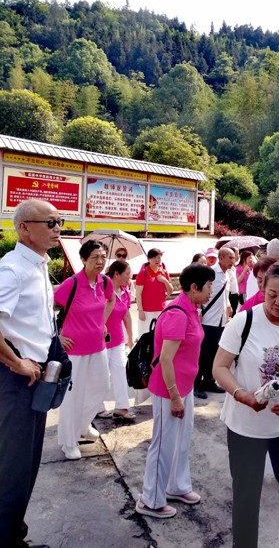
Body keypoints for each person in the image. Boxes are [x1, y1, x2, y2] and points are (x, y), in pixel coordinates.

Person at [213, 262, 279, 548]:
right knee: (246, 500)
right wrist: (241, 394)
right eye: (272, 294)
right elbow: (219, 367)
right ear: (262, 289)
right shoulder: (243, 322)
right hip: (246, 428)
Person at [0, 199, 63, 548]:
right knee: (12, 467)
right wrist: (15, 362)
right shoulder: (13, 270)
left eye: (60, 221)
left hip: (34, 378)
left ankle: (14, 535)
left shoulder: (38, 265)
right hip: (14, 380)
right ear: (24, 228)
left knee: (27, 464)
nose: (57, 228)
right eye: (50, 222)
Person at [136, 263, 216, 519]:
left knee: (182, 439)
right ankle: (150, 500)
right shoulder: (178, 313)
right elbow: (166, 359)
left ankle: (176, 486)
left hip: (185, 385)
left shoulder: (192, 308)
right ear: (194, 287)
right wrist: (174, 397)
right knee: (163, 444)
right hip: (169, 389)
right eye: (208, 286)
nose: (211, 290)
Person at [55, 240, 115, 460]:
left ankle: (82, 425)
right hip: (74, 350)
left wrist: (102, 322)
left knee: (101, 386)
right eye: (94, 257)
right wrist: (57, 336)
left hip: (98, 345)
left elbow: (111, 300)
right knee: (73, 395)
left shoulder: (105, 281)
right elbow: (46, 309)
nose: (100, 261)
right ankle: (68, 442)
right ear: (83, 259)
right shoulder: (71, 284)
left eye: (103, 257)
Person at [96, 260, 136, 420]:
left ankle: (122, 407)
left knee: (120, 372)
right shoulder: (101, 290)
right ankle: (97, 407)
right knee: (101, 375)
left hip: (118, 340)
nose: (129, 277)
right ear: (116, 274)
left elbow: (127, 316)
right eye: (127, 274)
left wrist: (130, 337)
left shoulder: (125, 292)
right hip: (101, 341)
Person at [194, 247, 235, 399]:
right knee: (202, 354)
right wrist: (198, 311)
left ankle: (209, 381)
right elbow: (199, 293)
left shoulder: (228, 274)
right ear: (221, 258)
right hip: (208, 320)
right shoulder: (211, 273)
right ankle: (197, 384)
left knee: (213, 354)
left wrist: (228, 305)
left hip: (221, 321)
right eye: (230, 258)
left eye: (234, 258)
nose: (233, 261)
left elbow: (225, 294)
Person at [135, 248, 173, 339]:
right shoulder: (143, 273)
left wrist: (165, 281)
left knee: (159, 336)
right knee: (145, 336)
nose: (157, 260)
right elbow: (138, 294)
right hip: (147, 311)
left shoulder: (164, 272)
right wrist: (141, 311)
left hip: (161, 310)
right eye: (154, 258)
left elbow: (170, 292)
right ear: (148, 259)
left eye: (159, 257)